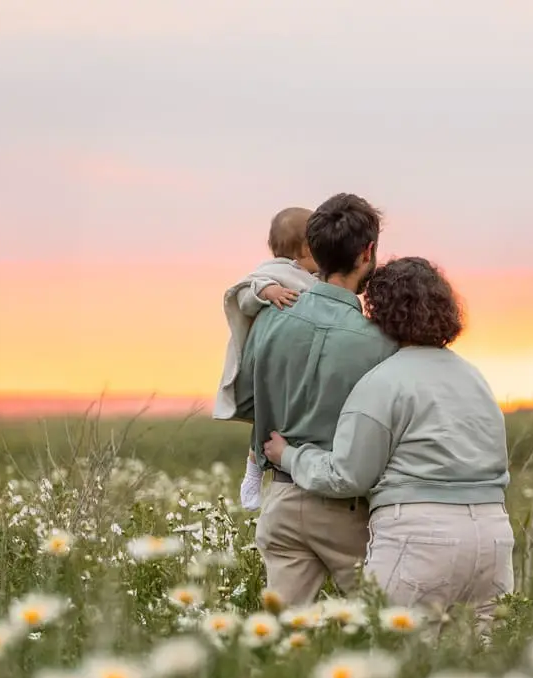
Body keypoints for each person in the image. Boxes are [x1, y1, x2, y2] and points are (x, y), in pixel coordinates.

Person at [262, 257, 512, 630]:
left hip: (420, 537)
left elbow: (347, 476)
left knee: (397, 659)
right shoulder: (473, 377)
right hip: (494, 536)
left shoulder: (382, 382)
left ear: (381, 314)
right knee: (480, 665)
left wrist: (290, 456)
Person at [232, 193, 397, 605]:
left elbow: (247, 401)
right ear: (368, 252)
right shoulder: (380, 343)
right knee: (384, 625)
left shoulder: (268, 319)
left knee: (279, 642)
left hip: (282, 501)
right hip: (347, 509)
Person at [214, 207, 321, 511]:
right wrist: (267, 290)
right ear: (305, 249)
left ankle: (261, 468)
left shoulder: (310, 277)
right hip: (269, 363)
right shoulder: (274, 273)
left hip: (290, 362)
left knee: (272, 420)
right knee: (267, 417)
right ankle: (253, 471)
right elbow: (243, 293)